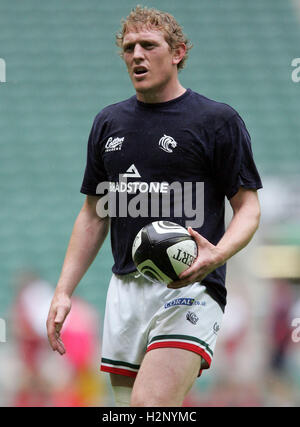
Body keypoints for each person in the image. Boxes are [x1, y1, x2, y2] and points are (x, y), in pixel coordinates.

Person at [47, 6, 262, 407]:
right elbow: (95, 212)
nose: (137, 55)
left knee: (150, 408)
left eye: (149, 45)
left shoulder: (217, 120)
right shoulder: (108, 123)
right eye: (129, 48)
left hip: (190, 285)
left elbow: (248, 207)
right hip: (125, 290)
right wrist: (63, 291)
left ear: (178, 52)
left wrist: (217, 255)